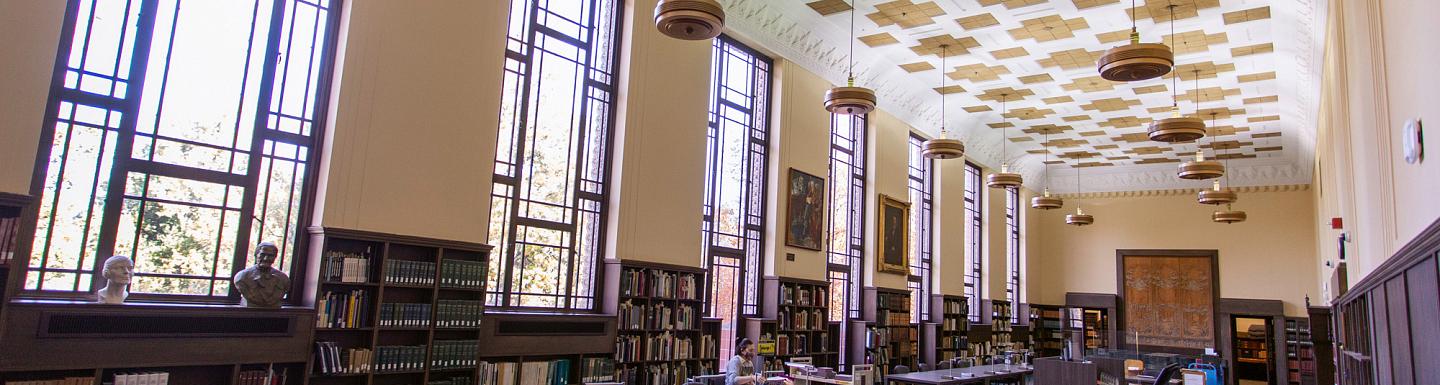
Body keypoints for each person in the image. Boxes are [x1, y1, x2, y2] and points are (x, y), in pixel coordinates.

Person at [233, 241, 291, 308]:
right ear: (256, 255)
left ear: (275, 257)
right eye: (262, 255)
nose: (266, 258)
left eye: (270, 256)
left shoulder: (283, 279)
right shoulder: (242, 277)